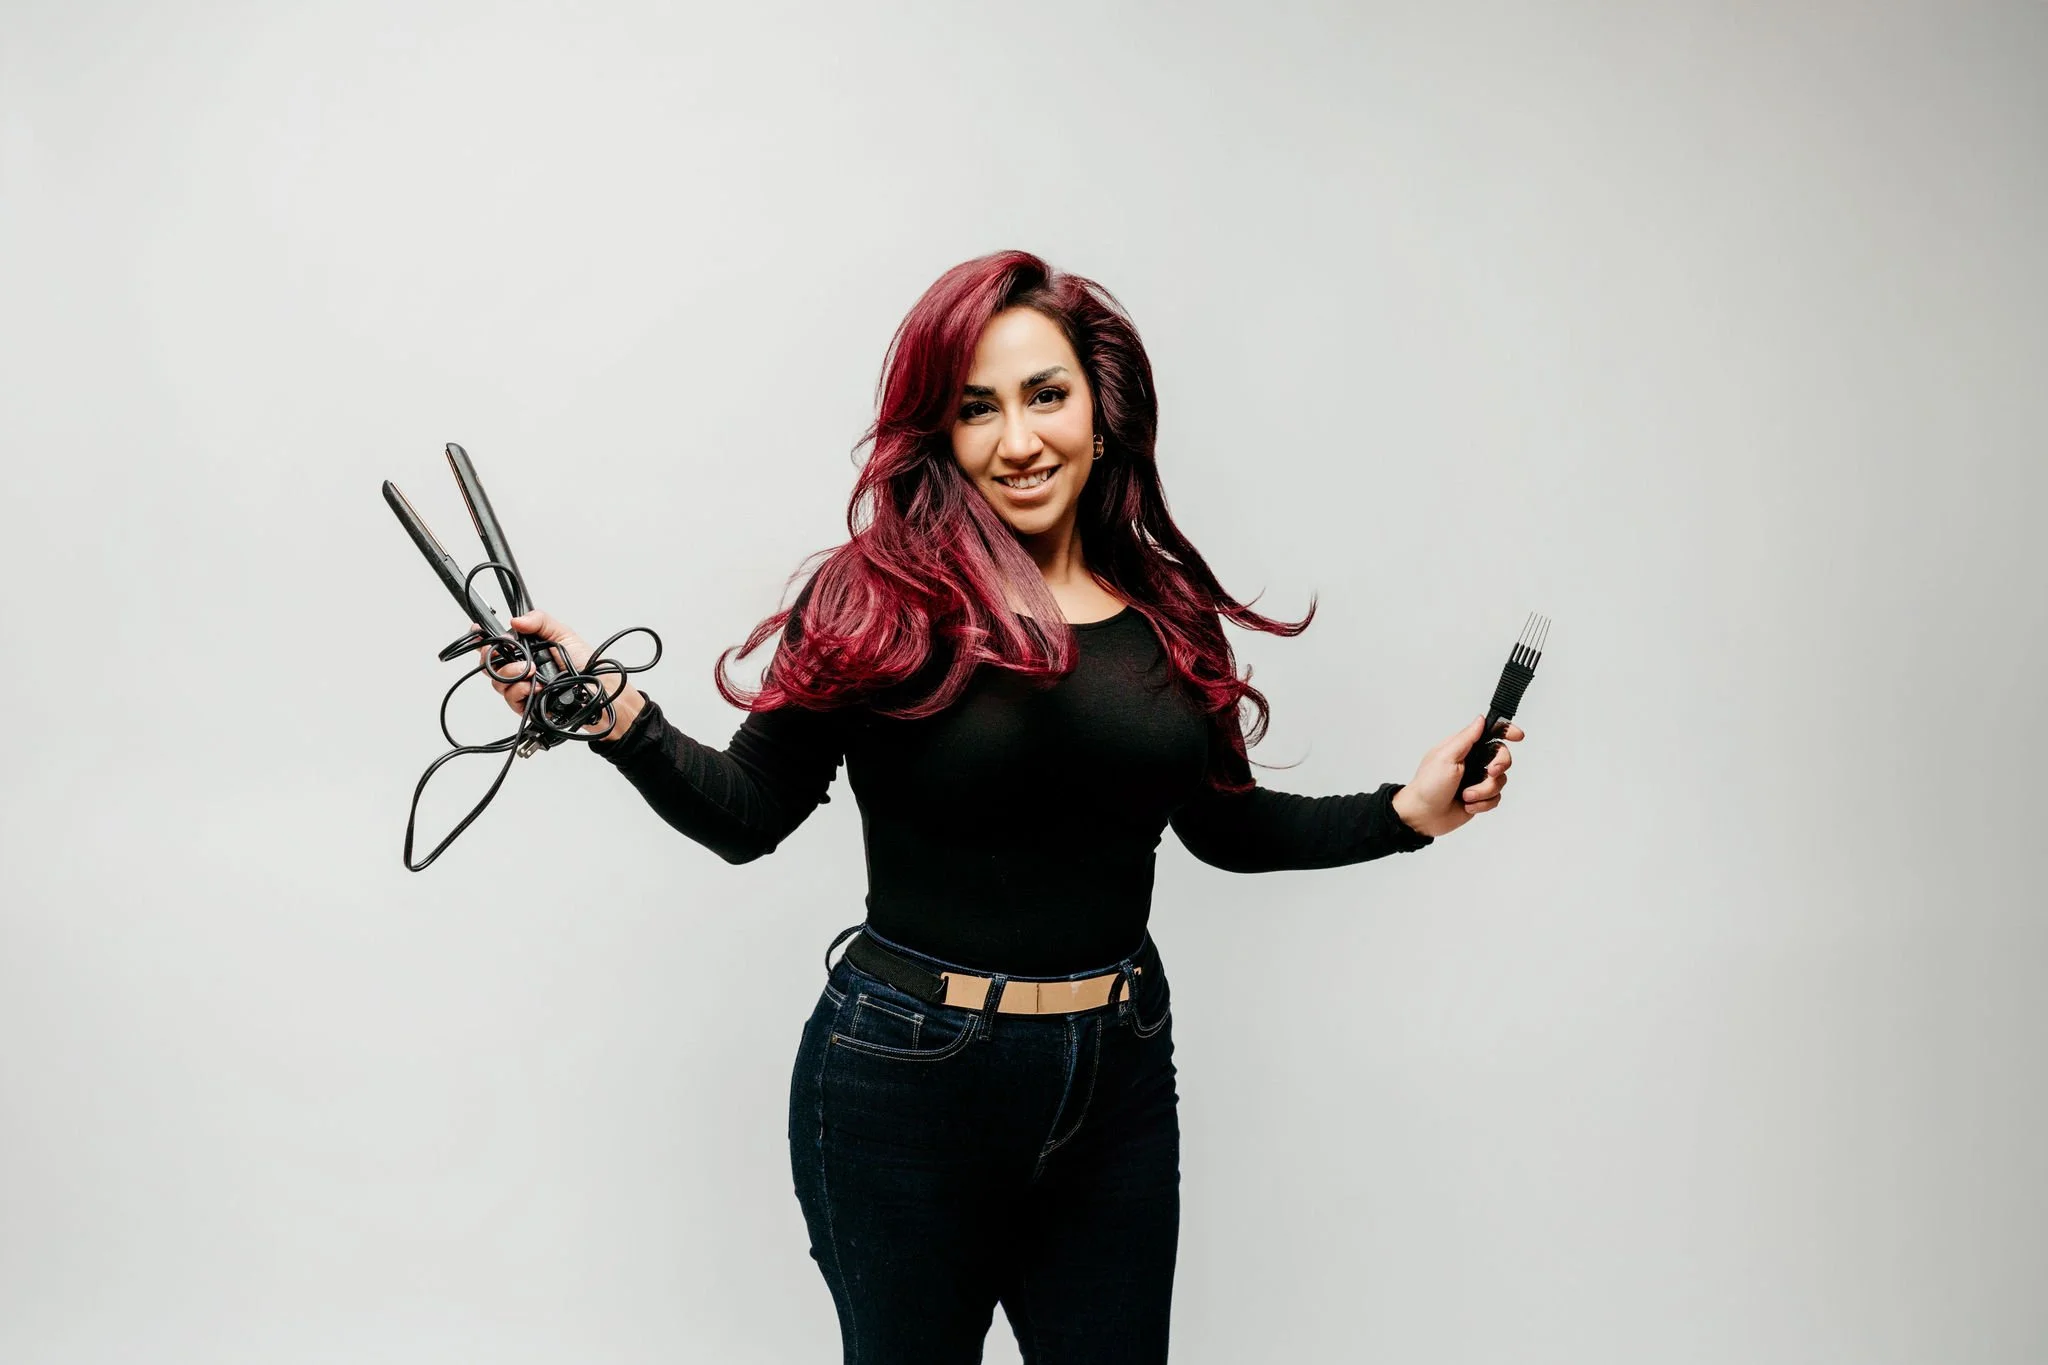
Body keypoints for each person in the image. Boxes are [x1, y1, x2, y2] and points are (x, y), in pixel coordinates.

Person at [478, 250, 1522, 1364]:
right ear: (940, 431)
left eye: (1045, 395)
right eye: (977, 408)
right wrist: (615, 714)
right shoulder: (878, 599)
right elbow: (748, 811)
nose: (1017, 440)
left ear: (1100, 409)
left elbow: (1226, 826)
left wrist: (1405, 812)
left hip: (1117, 1069)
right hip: (905, 1078)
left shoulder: (1167, 612)